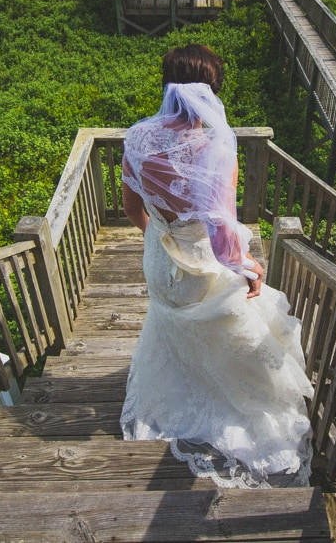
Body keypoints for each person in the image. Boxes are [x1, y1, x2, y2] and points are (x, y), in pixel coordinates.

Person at [120, 44, 313, 489]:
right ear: (212, 91)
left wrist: (162, 239)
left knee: (172, 326)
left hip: (158, 257)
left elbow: (134, 209)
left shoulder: (138, 139)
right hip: (201, 262)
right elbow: (222, 233)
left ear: (167, 85)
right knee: (237, 319)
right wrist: (248, 267)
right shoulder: (216, 148)